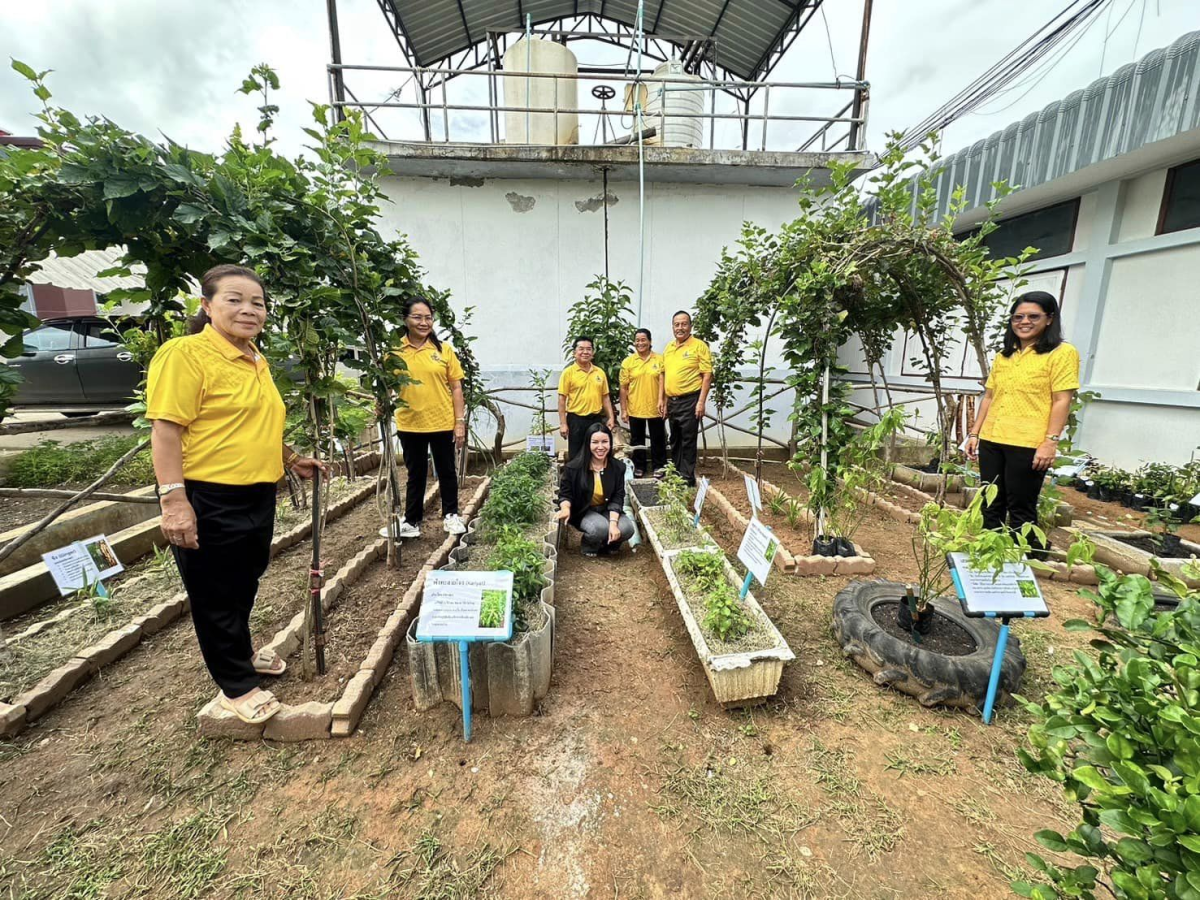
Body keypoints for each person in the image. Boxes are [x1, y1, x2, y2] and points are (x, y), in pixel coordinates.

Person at [146, 264, 325, 725]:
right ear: (206, 307)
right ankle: (236, 687)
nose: (248, 309)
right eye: (234, 299)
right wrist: (173, 501)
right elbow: (166, 430)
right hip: (209, 496)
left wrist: (289, 459)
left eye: (258, 303)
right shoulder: (185, 354)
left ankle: (241, 653)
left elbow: (255, 421)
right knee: (215, 592)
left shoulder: (254, 358)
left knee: (245, 579)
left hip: (257, 494)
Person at [965, 291, 1079, 545]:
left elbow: (1062, 400)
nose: (1024, 322)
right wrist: (975, 433)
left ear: (1049, 319)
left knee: (1021, 506)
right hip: (993, 439)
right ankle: (990, 550)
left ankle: (1028, 557)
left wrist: (1050, 442)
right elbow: (990, 397)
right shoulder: (1005, 356)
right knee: (990, 500)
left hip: (1028, 443)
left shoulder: (1061, 353)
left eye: (1033, 316)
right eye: (1018, 317)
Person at [391, 297, 468, 538]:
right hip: (409, 422)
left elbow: (456, 388)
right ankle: (412, 521)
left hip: (441, 421)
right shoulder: (394, 350)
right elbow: (387, 385)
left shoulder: (443, 350)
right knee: (416, 474)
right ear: (405, 319)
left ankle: (451, 515)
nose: (424, 322)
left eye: (428, 318)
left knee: (446, 471)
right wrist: (381, 403)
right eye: (417, 317)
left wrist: (459, 422)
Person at [554, 423, 636, 557]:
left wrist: (614, 523)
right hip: (585, 510)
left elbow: (617, 497)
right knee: (599, 528)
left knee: (627, 529)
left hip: (606, 508)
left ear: (610, 443)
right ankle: (589, 546)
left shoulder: (617, 467)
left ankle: (611, 545)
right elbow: (565, 494)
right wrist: (565, 508)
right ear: (588, 444)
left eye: (605, 442)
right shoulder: (574, 468)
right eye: (595, 442)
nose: (600, 447)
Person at [659, 310, 712, 487]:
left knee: (688, 440)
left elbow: (707, 375)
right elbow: (664, 374)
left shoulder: (699, 346)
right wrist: (664, 401)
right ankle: (676, 474)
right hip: (672, 401)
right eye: (676, 324)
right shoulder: (669, 348)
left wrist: (701, 402)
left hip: (690, 400)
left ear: (690, 326)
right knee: (675, 439)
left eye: (684, 324)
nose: (680, 328)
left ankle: (687, 478)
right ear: (672, 327)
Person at [619, 328, 667, 478]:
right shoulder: (628, 362)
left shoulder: (660, 359)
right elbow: (623, 388)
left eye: (643, 340)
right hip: (635, 408)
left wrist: (663, 403)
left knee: (658, 438)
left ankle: (659, 465)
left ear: (650, 341)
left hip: (656, 407)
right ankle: (639, 466)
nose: (640, 343)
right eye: (637, 340)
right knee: (637, 439)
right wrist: (624, 409)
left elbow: (664, 383)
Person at [558, 336, 616, 461]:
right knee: (576, 455)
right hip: (576, 420)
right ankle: (576, 480)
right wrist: (563, 424)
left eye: (589, 349)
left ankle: (594, 479)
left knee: (596, 453)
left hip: (596, 419)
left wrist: (611, 417)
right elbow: (562, 399)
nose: (585, 352)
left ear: (593, 352)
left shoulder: (599, 372)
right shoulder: (568, 373)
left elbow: (605, 397)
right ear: (574, 353)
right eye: (581, 349)